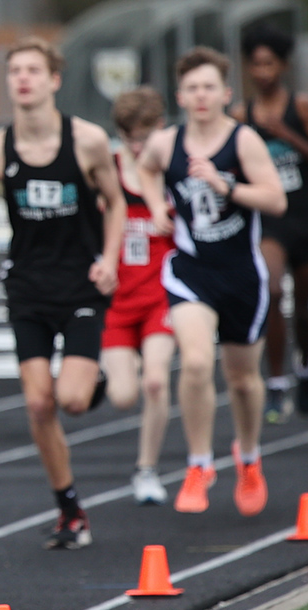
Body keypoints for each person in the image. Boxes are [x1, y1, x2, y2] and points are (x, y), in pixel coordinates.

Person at [0, 37, 125, 549]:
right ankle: (70, 509)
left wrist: (110, 259)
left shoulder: (89, 141)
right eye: (16, 71)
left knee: (72, 401)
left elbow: (116, 204)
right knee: (38, 405)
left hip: (80, 283)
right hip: (29, 286)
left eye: (34, 70)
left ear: (54, 80)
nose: (24, 79)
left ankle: (91, 379)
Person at [138, 47, 286, 516]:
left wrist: (228, 187)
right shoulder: (167, 143)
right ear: (180, 96)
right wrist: (155, 204)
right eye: (191, 88)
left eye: (208, 87)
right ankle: (199, 463)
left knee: (242, 379)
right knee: (198, 363)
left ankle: (247, 456)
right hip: (191, 270)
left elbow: (276, 200)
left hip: (242, 273)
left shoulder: (242, 142)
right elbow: (144, 169)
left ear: (224, 93)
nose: (200, 96)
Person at [102, 87, 175, 506]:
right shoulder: (109, 170)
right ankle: (100, 375)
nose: (136, 145)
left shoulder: (171, 170)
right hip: (117, 298)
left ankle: (146, 469)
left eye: (144, 135)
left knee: (154, 381)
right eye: (128, 136)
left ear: (159, 130)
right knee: (123, 394)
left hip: (160, 295)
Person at [232, 26, 308, 420]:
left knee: (307, 309)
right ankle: (276, 380)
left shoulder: (301, 108)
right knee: (274, 291)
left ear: (282, 65)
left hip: (305, 216)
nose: (262, 72)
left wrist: (286, 136)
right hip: (271, 222)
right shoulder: (241, 116)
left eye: (269, 63)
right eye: (256, 64)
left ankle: (304, 369)